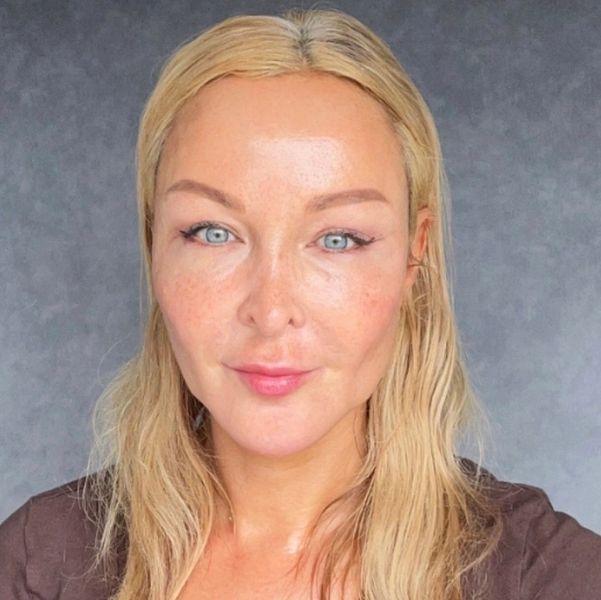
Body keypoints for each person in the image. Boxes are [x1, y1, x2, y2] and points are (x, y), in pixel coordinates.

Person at [1, 7, 600, 600]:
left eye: (338, 239)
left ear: (414, 255)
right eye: (213, 232)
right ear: (155, 243)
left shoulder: (551, 579)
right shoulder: (36, 566)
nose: (271, 311)